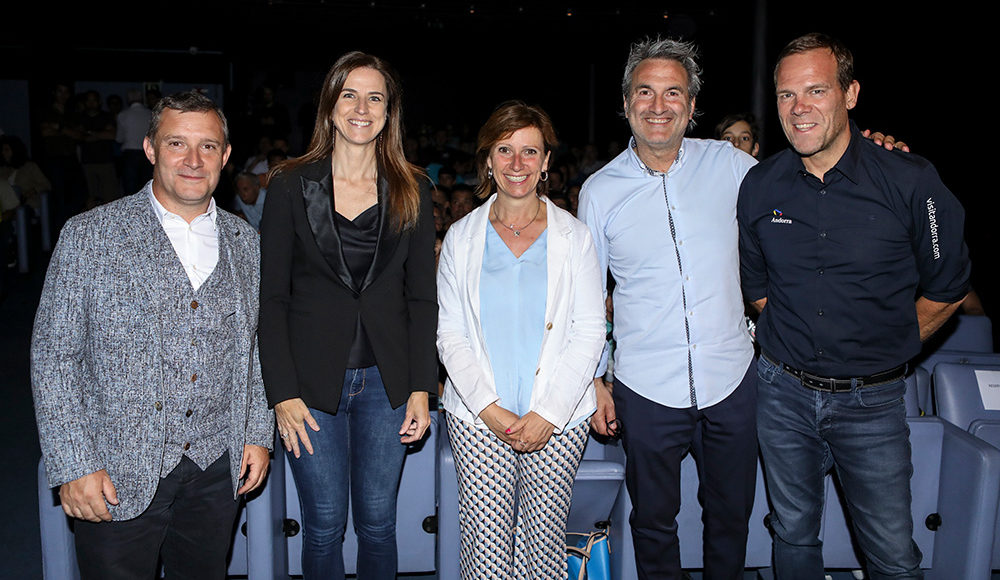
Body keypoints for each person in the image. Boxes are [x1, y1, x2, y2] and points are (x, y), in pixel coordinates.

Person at [737, 33, 971, 579]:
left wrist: (886, 342)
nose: (799, 107)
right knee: (792, 535)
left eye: (816, 90)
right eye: (787, 94)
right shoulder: (759, 185)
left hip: (873, 403)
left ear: (850, 94)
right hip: (782, 396)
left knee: (892, 553)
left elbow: (948, 289)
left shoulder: (911, 181)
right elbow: (759, 289)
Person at [30, 89, 274, 580]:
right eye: (176, 144)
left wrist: (255, 433)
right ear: (149, 149)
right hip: (114, 468)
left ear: (225, 156)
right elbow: (54, 356)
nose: (193, 160)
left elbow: (253, 349)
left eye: (207, 146)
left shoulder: (246, 241)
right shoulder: (90, 235)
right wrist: (74, 464)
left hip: (216, 466)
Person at [577, 37, 760, 580]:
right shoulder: (599, 191)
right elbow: (587, 298)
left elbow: (804, 191)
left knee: (732, 518)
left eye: (673, 92)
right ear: (626, 102)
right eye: (645, 92)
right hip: (646, 386)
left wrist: (869, 150)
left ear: (692, 104)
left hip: (732, 378)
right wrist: (594, 380)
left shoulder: (732, 165)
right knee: (653, 523)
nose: (658, 106)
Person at [259, 51, 437, 580]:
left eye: (374, 97)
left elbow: (421, 299)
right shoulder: (289, 184)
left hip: (389, 384)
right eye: (349, 95)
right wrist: (281, 393)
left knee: (379, 524)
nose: (362, 108)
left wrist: (421, 387)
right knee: (323, 525)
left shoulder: (413, 188)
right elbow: (272, 299)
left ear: (389, 112)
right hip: (310, 387)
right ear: (330, 106)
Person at [437, 100, 606, 579]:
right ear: (488, 160)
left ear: (546, 161)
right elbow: (450, 335)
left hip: (558, 417)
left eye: (530, 151)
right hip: (478, 417)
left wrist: (548, 414)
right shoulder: (460, 238)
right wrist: (490, 411)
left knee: (542, 548)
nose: (517, 163)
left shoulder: (575, 237)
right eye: (505, 150)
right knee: (486, 554)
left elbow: (590, 330)